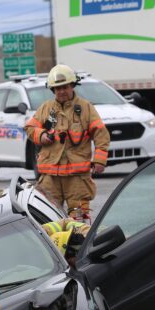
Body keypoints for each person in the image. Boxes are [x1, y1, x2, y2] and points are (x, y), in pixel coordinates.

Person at [24, 64, 110, 222]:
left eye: (64, 87)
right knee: (47, 219)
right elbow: (30, 128)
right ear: (52, 90)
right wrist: (41, 135)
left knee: (78, 221)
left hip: (76, 179)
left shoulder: (85, 108)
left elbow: (101, 133)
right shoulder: (46, 108)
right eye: (57, 88)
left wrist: (99, 160)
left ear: (72, 86)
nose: (61, 91)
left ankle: (79, 247)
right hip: (50, 177)